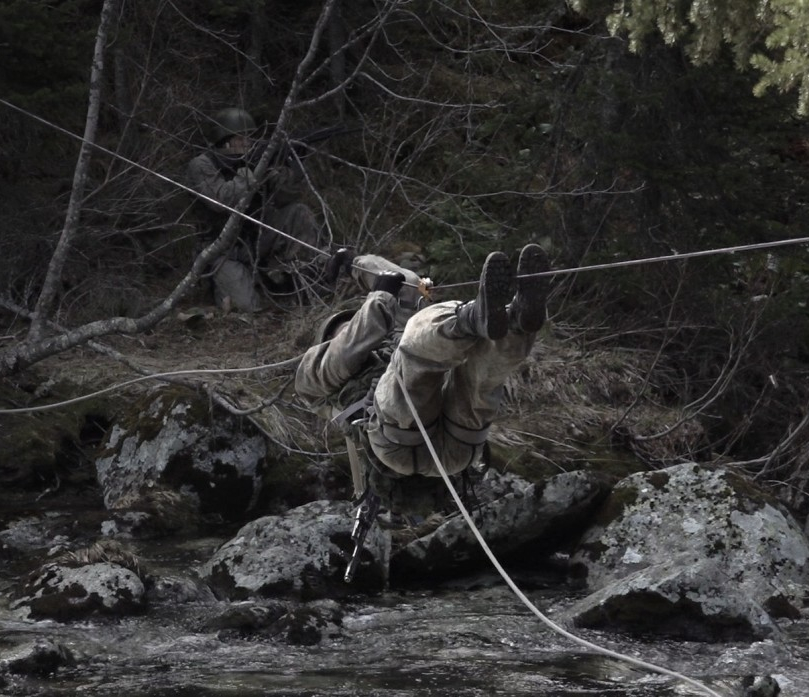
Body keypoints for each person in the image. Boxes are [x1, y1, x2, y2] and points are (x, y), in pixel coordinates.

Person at [295, 244, 551, 509]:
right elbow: (350, 347)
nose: (349, 326)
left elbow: (409, 286)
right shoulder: (312, 378)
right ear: (324, 343)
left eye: (351, 321)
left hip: (458, 447)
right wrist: (379, 298)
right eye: (342, 328)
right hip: (397, 439)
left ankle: (517, 324)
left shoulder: (387, 329)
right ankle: (473, 318)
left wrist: (355, 264)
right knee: (415, 342)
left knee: (480, 376)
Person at [186, 107, 324, 312]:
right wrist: (249, 172)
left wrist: (294, 169)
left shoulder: (254, 160)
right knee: (245, 307)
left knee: (299, 213)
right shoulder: (202, 165)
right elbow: (219, 201)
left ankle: (311, 278)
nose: (248, 142)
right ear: (225, 140)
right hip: (223, 249)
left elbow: (284, 198)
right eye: (242, 138)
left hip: (257, 237)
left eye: (250, 137)